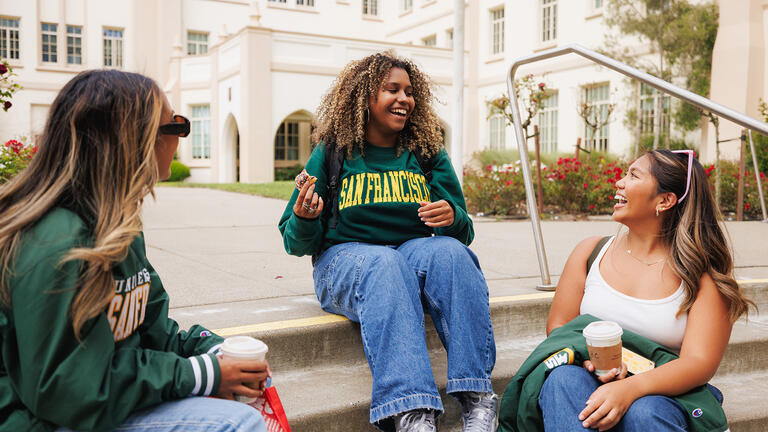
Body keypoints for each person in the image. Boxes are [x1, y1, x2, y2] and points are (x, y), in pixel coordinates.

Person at [0, 70, 269, 432]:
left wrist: (213, 353)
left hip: (91, 406)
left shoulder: (119, 227)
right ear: (133, 141)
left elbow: (155, 332)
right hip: (42, 419)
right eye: (175, 128)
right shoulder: (56, 241)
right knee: (238, 425)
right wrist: (199, 376)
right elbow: (67, 389)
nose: (180, 141)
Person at [278, 51, 497, 432]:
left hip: (413, 255)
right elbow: (296, 242)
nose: (404, 99)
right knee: (385, 263)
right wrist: (305, 216)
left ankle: (477, 398)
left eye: (410, 92)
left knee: (451, 253)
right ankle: (411, 412)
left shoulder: (427, 153)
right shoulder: (334, 152)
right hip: (346, 263)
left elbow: (463, 232)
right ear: (364, 97)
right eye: (391, 89)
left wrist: (453, 217)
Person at [538, 149, 754, 431]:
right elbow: (560, 326)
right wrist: (594, 358)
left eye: (633, 175)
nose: (619, 182)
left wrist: (629, 388)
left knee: (646, 410)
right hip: (591, 375)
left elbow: (699, 363)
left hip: (664, 392)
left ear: (664, 201)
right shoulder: (590, 252)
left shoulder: (702, 278)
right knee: (563, 379)